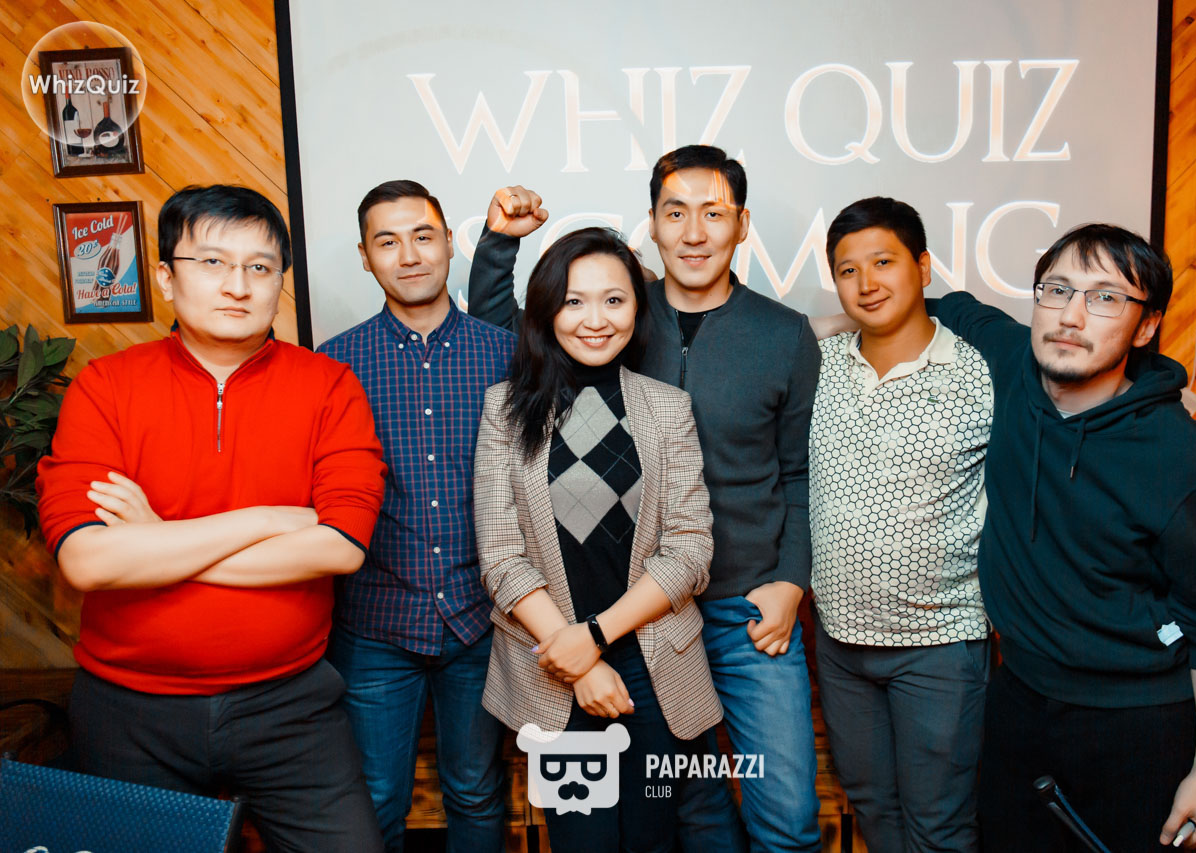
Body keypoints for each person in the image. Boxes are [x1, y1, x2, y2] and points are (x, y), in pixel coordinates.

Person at [471, 145, 823, 853]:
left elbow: (796, 473)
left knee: (752, 813)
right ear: (653, 224)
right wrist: (498, 244)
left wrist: (791, 579)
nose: (694, 232)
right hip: (587, 635)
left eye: (713, 214)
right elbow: (512, 327)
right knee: (652, 817)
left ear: (741, 224)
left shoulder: (777, 337)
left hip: (731, 611)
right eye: (675, 213)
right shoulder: (592, 332)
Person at [35, 184, 386, 851]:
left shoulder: (328, 386)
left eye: (260, 266)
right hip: (129, 710)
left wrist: (154, 543)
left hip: (290, 706)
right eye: (213, 263)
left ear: (280, 282)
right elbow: (87, 561)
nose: (238, 285)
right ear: (167, 277)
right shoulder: (105, 387)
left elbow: (339, 546)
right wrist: (273, 518)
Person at [927, 224, 1196, 852]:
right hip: (1017, 696)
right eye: (1057, 290)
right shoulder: (1016, 366)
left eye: (1106, 298)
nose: (1071, 316)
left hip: (1135, 723)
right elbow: (944, 305)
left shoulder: (1184, 457)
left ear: (1146, 326)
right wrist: (823, 327)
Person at [473, 226, 721, 852]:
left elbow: (691, 549)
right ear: (545, 310)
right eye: (574, 301)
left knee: (654, 838)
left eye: (614, 300)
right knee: (582, 841)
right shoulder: (504, 409)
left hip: (655, 667)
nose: (595, 320)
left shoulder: (668, 406)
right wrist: (577, 659)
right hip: (551, 668)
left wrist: (596, 639)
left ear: (638, 308)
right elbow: (501, 556)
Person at [317, 180, 515, 852]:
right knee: (375, 797)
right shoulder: (332, 366)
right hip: (375, 624)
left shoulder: (506, 355)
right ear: (366, 258)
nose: (409, 255)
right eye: (387, 241)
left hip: (483, 620)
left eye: (423, 236)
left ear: (450, 243)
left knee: (477, 790)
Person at [808, 198, 991, 853]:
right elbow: (741, 335)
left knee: (938, 825)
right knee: (874, 810)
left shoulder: (981, 370)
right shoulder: (820, 363)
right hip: (840, 645)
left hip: (940, 644)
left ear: (923, 266)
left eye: (883, 262)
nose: (866, 283)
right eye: (848, 270)